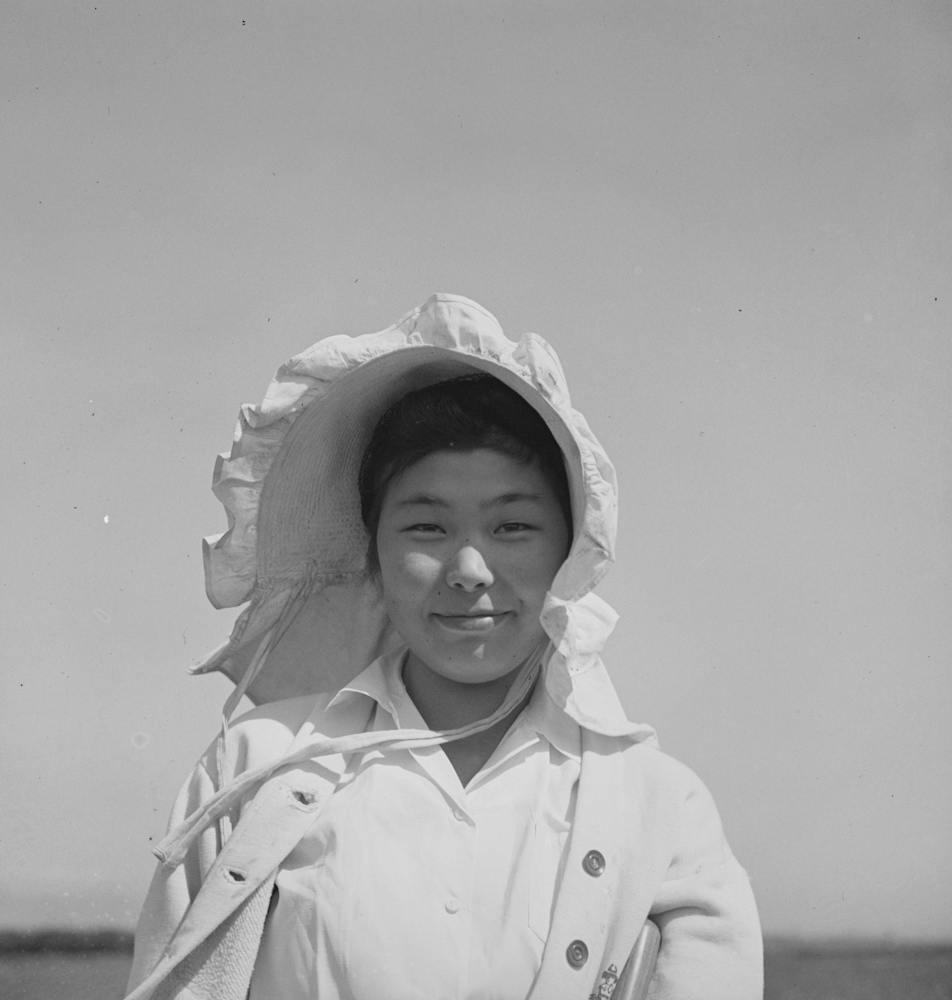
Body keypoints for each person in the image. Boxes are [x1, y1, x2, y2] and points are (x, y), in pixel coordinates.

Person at [124, 294, 763, 1000]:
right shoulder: (258, 763)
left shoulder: (660, 803)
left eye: (513, 527)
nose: (468, 571)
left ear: (572, 553)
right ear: (370, 553)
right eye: (426, 529)